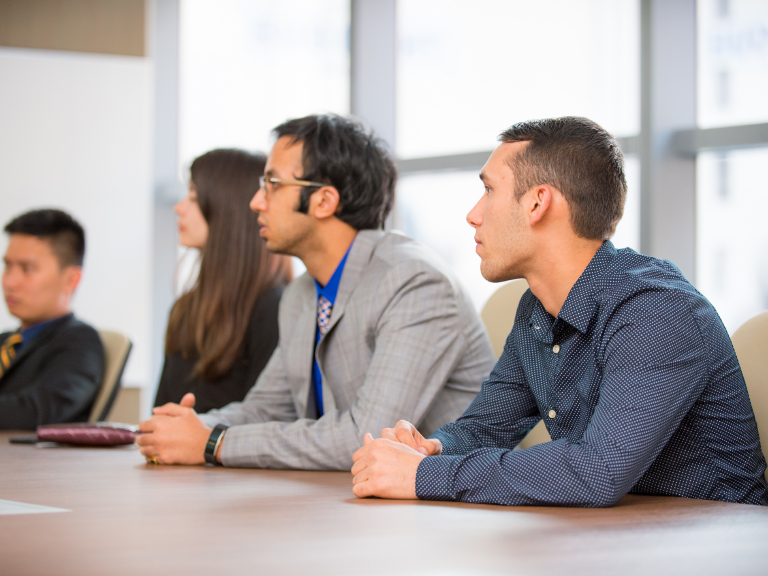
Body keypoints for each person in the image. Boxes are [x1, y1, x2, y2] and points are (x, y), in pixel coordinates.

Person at [351, 116, 768, 507]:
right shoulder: (537, 308)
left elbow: (596, 471)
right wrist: (430, 450)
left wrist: (424, 476)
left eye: (489, 190)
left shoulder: (657, 313)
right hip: (615, 538)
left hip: (715, 540)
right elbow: (485, 427)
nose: (473, 215)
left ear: (537, 203)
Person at [136, 114, 496, 469]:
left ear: (324, 201)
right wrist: (188, 427)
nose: (256, 202)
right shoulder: (301, 294)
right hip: (357, 501)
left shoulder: (413, 282)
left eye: (272, 184)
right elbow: (266, 407)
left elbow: (368, 438)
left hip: (447, 506)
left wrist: (212, 443)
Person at [154, 149, 293, 414]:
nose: (179, 207)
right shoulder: (184, 309)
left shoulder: (276, 309)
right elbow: (160, 416)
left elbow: (266, 423)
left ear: (228, 211)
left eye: (194, 197)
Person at [0, 209, 104, 430]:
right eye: (7, 266)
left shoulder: (80, 343)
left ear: (71, 279)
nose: (10, 281)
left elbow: (36, 412)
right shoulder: (6, 342)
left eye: (27, 269)